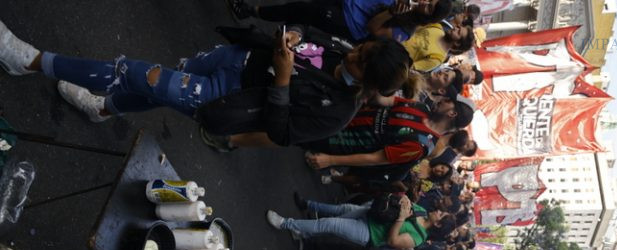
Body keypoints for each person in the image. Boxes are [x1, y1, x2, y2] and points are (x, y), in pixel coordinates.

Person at [0, 19, 410, 148]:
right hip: (232, 59)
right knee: (150, 89)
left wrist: (283, 80)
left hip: (223, 97)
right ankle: (102, 108)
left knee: (133, 72)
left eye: (362, 61)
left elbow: (282, 132)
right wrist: (292, 37)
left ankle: (31, 61)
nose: (353, 54)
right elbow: (305, 32)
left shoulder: (338, 111)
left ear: (369, 81)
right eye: (362, 48)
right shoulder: (344, 47)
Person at [304, 98, 474, 171]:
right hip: (339, 113)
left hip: (337, 140)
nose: (442, 100)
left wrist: (330, 160)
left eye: (448, 102)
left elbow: (374, 159)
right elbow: (388, 100)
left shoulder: (422, 146)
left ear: (452, 114)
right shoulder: (421, 107)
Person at [267, 196, 456, 250]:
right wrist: (404, 199)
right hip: (370, 213)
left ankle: (285, 223)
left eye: (441, 215)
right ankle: (301, 231)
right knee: (337, 214)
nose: (438, 211)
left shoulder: (418, 238)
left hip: (368, 233)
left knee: (329, 224)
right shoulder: (422, 210)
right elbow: (402, 201)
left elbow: (392, 242)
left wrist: (401, 218)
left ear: (438, 225)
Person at [228, 0, 452, 43]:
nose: (425, 2)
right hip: (344, 3)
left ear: (430, 15)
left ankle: (250, 12)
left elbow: (373, 30)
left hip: (346, 22)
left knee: (300, 11)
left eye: (430, 6)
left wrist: (392, 12)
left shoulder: (407, 29)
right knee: (299, 9)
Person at [402, 22, 474, 72]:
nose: (455, 28)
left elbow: (409, 68)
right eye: (458, 27)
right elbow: (413, 29)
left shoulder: (437, 58)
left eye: (458, 32)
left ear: (457, 43)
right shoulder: (437, 27)